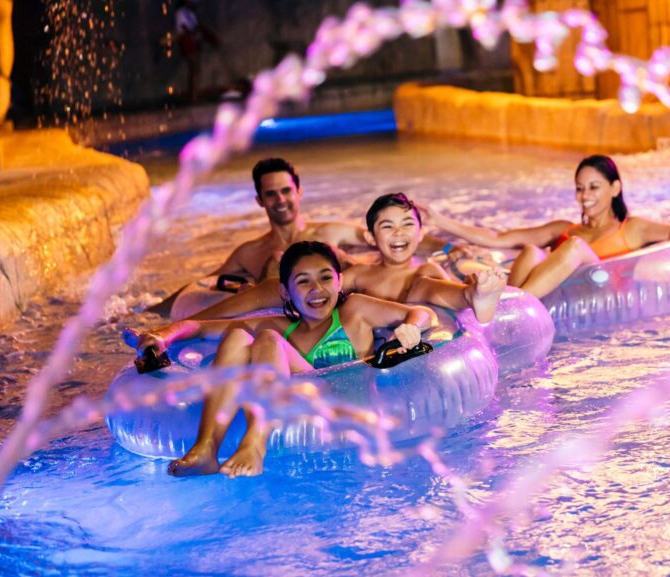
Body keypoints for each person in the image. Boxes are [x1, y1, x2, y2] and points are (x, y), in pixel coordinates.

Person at [133, 241, 437, 478]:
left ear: (339, 281)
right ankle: (206, 448)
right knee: (239, 336)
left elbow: (425, 313)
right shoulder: (281, 325)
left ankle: (254, 442)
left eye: (325, 278)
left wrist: (411, 327)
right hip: (299, 412)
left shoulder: (355, 312)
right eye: (303, 281)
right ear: (285, 291)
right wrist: (163, 336)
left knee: (266, 338)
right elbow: (199, 327)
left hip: (345, 414)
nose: (317, 289)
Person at [423, 154, 670, 299]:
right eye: (580, 188)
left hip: (600, 297)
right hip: (553, 297)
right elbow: (497, 238)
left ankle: (517, 304)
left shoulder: (634, 229)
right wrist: (438, 220)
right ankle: (508, 304)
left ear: (615, 188)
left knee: (576, 250)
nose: (585, 196)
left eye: (593, 187)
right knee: (533, 248)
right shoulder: (566, 230)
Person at [149, 158, 458, 316]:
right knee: (275, 265)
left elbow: (391, 238)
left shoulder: (328, 232)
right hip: (286, 313)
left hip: (336, 303)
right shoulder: (251, 252)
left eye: (286, 191)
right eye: (271, 194)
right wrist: (153, 310)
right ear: (260, 201)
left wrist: (447, 247)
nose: (281, 200)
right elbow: (205, 282)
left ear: (299, 192)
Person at [185, 193, 507, 323]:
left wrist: (472, 290)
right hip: (361, 336)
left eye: (408, 225)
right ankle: (197, 321)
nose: (399, 233)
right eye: (387, 227)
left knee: (425, 285)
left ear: (420, 234)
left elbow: (436, 289)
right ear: (370, 238)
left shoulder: (426, 267)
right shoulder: (359, 274)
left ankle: (474, 297)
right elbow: (329, 293)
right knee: (278, 285)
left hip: (417, 305)